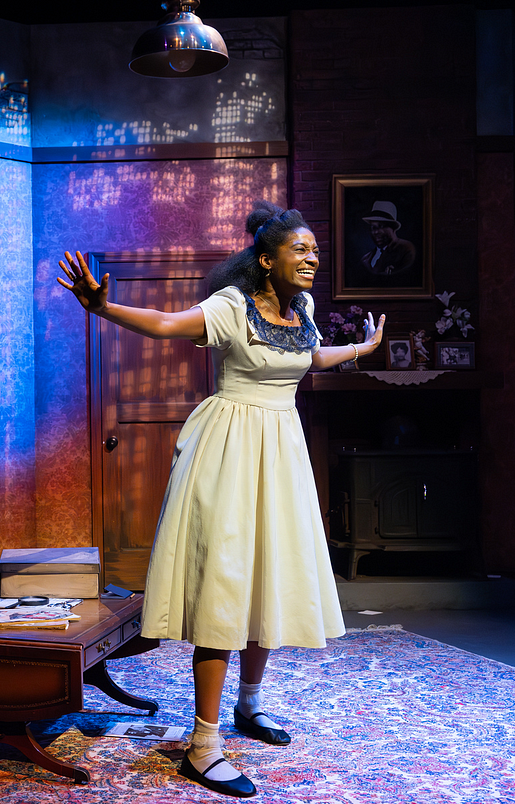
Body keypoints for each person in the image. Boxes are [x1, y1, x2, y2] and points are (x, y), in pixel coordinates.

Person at [58, 200, 385, 798]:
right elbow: (163, 324)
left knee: (267, 578)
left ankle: (249, 707)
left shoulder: (304, 309)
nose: (314, 259)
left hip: (282, 452)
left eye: (316, 250)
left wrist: (361, 350)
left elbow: (310, 360)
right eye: (302, 250)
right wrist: (102, 307)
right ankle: (202, 744)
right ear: (266, 259)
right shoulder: (232, 306)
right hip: (231, 448)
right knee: (226, 585)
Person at [360, 201, 416, 278]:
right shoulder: (366, 259)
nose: (376, 232)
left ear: (394, 228)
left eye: (382, 226)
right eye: (373, 227)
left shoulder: (406, 250)